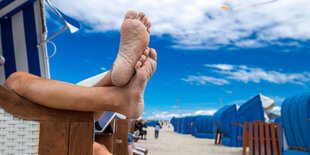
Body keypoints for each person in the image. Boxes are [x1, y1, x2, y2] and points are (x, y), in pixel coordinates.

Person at [4, 10, 157, 155]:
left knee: (95, 147)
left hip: (48, 134)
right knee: (16, 80)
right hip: (49, 134)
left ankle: (115, 88)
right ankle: (114, 88)